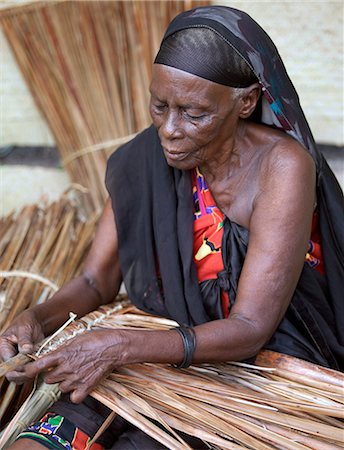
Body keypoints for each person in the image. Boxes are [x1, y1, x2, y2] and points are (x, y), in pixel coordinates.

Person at [1, 5, 343, 450]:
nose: (169, 130)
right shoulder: (143, 159)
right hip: (149, 352)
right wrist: (36, 317)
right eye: (159, 106)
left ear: (246, 101)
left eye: (194, 114)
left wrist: (117, 347)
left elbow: (250, 326)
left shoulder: (281, 168)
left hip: (255, 377)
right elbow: (93, 279)